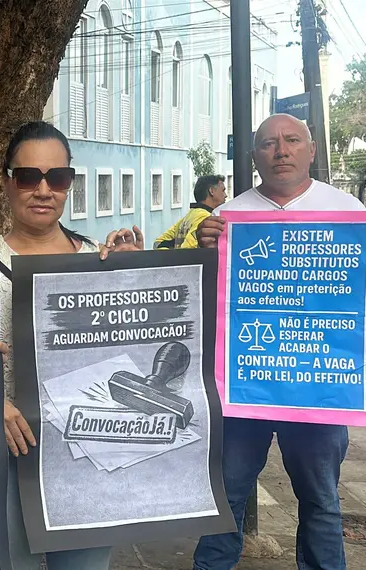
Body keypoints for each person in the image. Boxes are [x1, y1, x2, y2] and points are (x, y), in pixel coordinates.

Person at [0, 120, 143, 570]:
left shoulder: (100, 259)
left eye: (56, 177)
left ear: (69, 183)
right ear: (6, 182)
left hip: (88, 453)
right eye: (28, 177)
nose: (43, 190)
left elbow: (136, 347)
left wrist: (136, 275)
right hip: (8, 455)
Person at [192, 113, 362, 570]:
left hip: (317, 388)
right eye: (268, 143)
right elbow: (203, 300)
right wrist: (205, 253)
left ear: (311, 149)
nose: (281, 151)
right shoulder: (226, 219)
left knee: (322, 501)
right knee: (225, 496)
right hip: (243, 387)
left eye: (291, 140)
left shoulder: (349, 213)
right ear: (254, 155)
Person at [154, 175, 227, 249]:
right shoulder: (206, 219)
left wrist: (171, 251)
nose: (225, 195)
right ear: (211, 191)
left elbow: (158, 243)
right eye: (223, 191)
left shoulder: (190, 215)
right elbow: (187, 251)